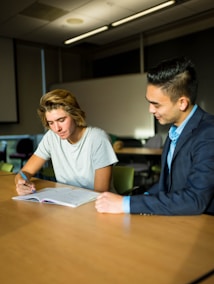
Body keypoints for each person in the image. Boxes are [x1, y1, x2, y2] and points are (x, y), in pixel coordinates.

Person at [95, 56, 214, 215]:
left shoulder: (209, 134)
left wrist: (126, 204)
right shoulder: (175, 130)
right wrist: (140, 198)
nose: (150, 110)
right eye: (149, 102)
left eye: (156, 104)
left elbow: (194, 200)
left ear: (182, 103)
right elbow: (167, 183)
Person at [15, 89, 118, 195]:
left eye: (61, 120)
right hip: (66, 200)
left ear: (74, 115)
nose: (56, 128)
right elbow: (24, 172)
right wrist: (22, 182)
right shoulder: (51, 137)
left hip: (95, 205)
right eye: (51, 123)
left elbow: (100, 194)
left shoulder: (98, 139)